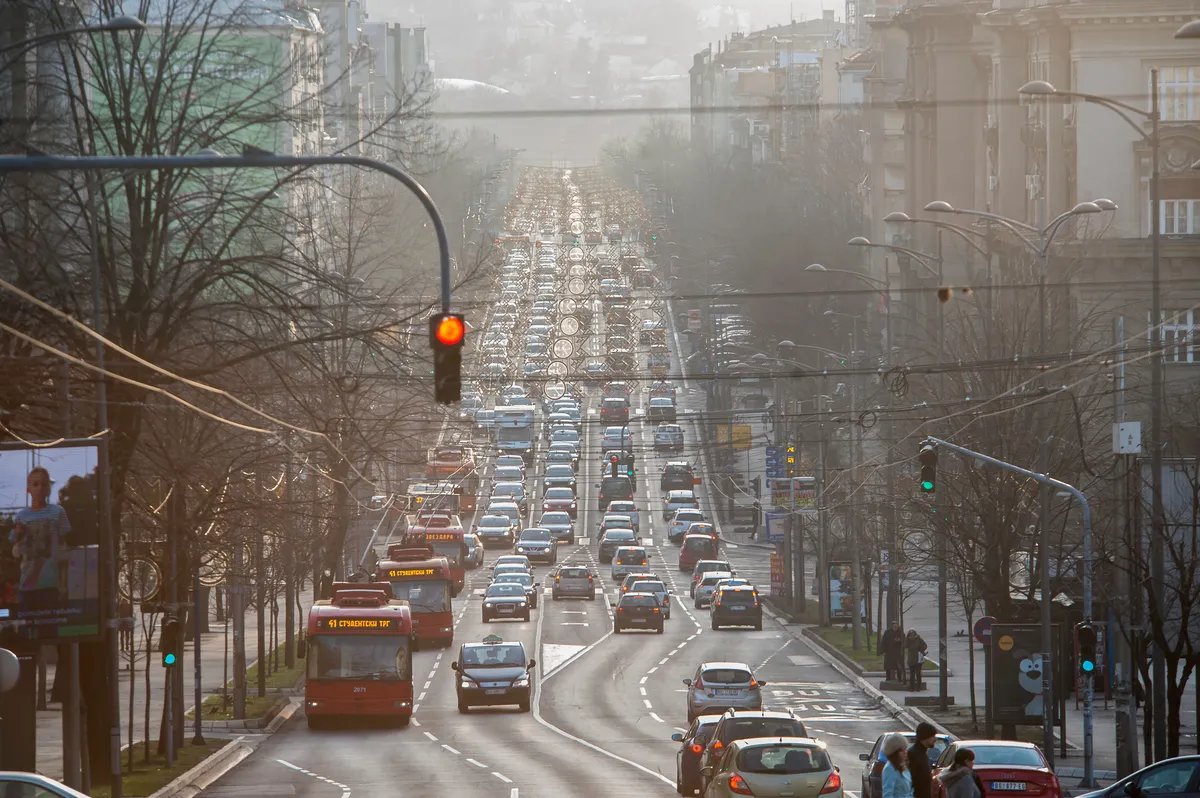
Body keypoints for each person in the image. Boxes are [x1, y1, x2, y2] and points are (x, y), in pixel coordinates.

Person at [9, 467, 71, 614]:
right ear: (28, 489)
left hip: (50, 584)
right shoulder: (21, 516)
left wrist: (63, 584)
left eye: (44, 484)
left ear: (49, 489)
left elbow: (65, 550)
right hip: (27, 584)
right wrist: (18, 534)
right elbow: (14, 550)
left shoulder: (58, 512)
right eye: (35, 484)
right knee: (26, 630)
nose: (40, 488)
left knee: (50, 628)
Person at [907, 722, 939, 798]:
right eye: (933, 736)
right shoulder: (913, 754)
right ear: (925, 736)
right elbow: (909, 782)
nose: (935, 739)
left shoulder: (923, 753)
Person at [881, 733, 913, 798]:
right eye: (901, 750)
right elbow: (887, 794)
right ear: (893, 752)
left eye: (905, 749)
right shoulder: (889, 768)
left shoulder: (903, 766)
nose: (905, 752)